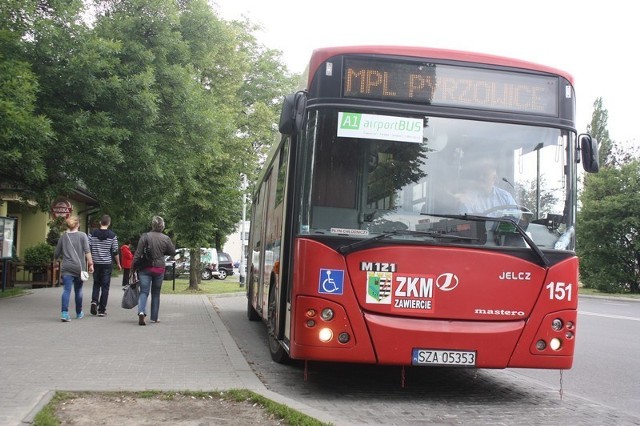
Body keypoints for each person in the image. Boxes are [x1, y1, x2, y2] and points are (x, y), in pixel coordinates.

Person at [133, 215, 175, 326]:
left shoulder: (145, 236)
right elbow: (172, 251)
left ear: (152, 225)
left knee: (144, 292)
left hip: (145, 267)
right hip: (159, 268)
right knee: (156, 293)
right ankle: (154, 318)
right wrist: (162, 252)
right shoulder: (165, 238)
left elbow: (137, 253)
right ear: (163, 226)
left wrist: (133, 268)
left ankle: (141, 312)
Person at [54, 216, 94, 322]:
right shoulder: (82, 235)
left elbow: (56, 253)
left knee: (66, 290)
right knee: (78, 290)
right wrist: (90, 264)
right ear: (77, 225)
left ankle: (64, 313)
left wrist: (56, 261)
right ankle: (79, 312)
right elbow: (87, 251)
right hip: (79, 267)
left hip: (66, 267)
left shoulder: (63, 237)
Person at [88, 214, 122, 316]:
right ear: (109, 223)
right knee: (105, 287)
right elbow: (115, 251)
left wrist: (89, 262)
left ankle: (94, 301)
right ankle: (102, 310)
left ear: (100, 222)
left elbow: (88, 249)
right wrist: (119, 264)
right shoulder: (112, 235)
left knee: (96, 283)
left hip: (96, 263)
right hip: (107, 264)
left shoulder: (92, 234)